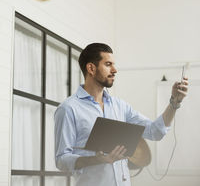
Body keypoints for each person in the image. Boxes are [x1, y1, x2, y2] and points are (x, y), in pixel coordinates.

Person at [54, 43, 188, 186]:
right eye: (108, 64)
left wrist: (174, 102)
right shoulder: (68, 108)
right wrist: (97, 159)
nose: (115, 70)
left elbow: (155, 131)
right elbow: (61, 160)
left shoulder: (120, 106)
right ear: (91, 68)